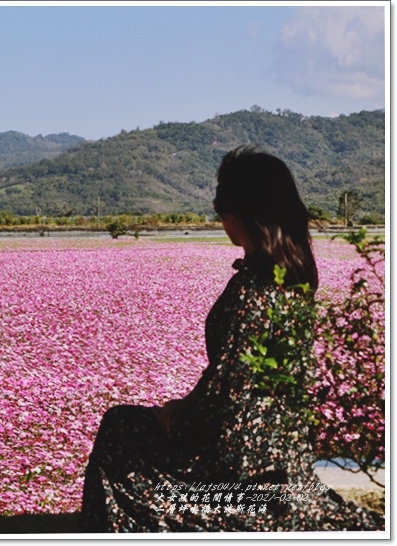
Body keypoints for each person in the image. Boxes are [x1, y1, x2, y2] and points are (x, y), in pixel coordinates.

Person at [79, 146, 384, 532]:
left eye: (223, 208)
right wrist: (185, 403)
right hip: (285, 458)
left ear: (237, 213)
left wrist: (172, 416)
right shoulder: (296, 278)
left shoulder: (251, 290)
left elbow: (231, 392)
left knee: (121, 429)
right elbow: (234, 376)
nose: (222, 219)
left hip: (239, 471)